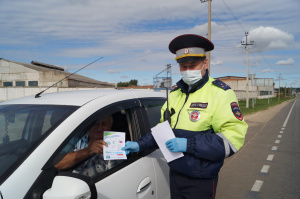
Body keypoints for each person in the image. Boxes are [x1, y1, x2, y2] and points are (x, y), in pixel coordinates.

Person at [122, 34, 248, 199]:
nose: (188, 71)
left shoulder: (220, 93)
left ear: (205, 63)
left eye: (193, 65)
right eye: (183, 67)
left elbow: (232, 139)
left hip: (201, 179)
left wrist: (189, 144)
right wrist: (140, 145)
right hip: (175, 173)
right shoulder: (175, 94)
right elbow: (162, 130)